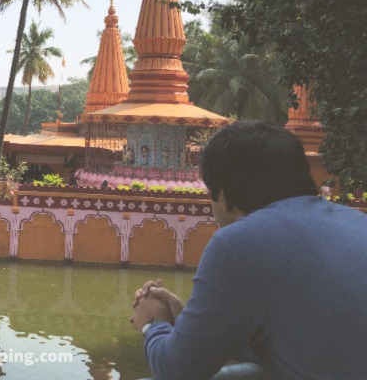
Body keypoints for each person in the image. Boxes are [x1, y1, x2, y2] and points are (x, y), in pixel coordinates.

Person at [129, 120, 367, 379]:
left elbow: (178, 372)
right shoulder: (356, 220)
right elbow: (296, 344)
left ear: (222, 195)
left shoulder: (235, 245)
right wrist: (188, 323)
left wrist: (153, 325)